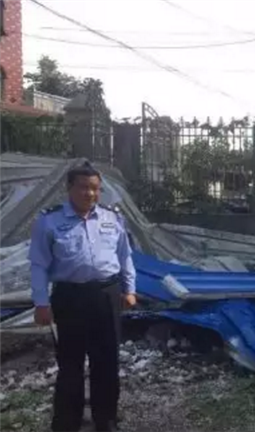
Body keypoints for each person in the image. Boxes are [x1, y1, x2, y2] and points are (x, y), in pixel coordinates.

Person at [29, 162, 136, 432]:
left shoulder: (112, 218)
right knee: (70, 364)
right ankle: (67, 423)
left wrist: (130, 290)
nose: (90, 193)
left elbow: (125, 256)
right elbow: (38, 265)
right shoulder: (49, 221)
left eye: (95, 188)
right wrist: (41, 303)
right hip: (70, 298)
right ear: (69, 188)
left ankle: (106, 421)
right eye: (83, 187)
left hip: (106, 296)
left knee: (107, 362)